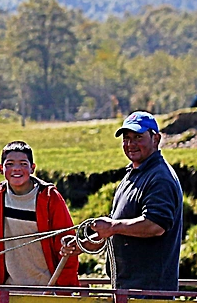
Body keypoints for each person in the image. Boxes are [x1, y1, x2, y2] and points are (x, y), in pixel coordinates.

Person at [69, 111, 184, 292]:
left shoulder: (160, 178)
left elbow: (155, 225)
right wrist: (85, 244)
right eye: (126, 138)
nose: (131, 144)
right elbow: (118, 227)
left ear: (156, 139)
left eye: (138, 137)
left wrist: (112, 226)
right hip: (127, 290)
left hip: (149, 295)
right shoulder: (132, 175)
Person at [0, 141, 79, 286]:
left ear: (32, 168)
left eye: (23, 164)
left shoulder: (48, 197)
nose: (16, 169)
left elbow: (67, 246)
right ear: (1, 168)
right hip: (10, 286)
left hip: (48, 286)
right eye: (10, 164)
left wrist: (66, 288)